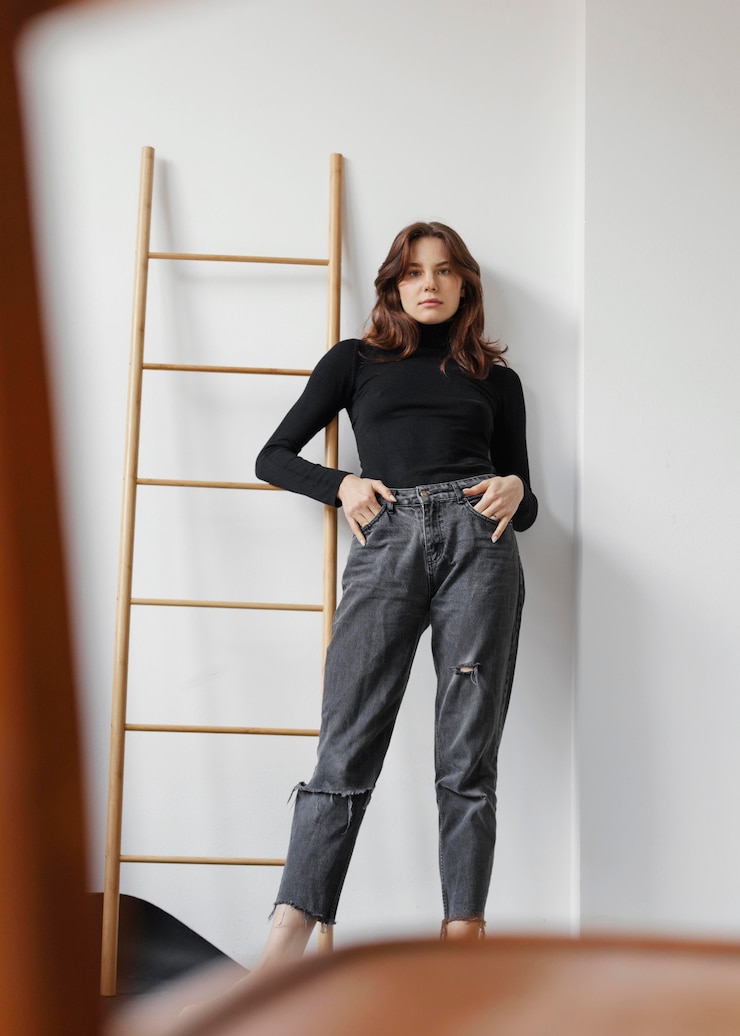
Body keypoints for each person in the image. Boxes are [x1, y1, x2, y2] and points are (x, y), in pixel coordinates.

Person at [253, 221, 537, 971]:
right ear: (393, 286)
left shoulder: (496, 379)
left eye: (444, 271)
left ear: (465, 285)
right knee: (343, 751)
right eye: (413, 272)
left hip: (480, 546)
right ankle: (279, 961)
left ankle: (462, 955)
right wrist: (342, 483)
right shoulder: (355, 361)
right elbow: (272, 457)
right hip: (387, 542)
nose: (429, 284)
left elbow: (526, 503)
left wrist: (515, 487)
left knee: (467, 761)